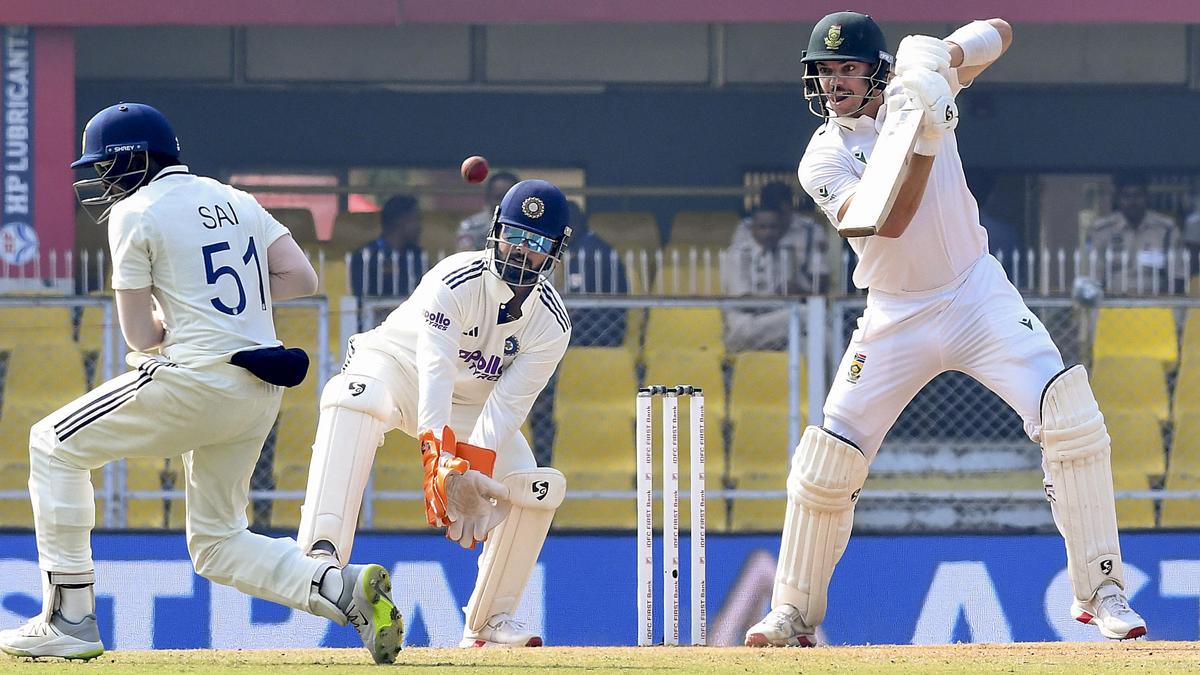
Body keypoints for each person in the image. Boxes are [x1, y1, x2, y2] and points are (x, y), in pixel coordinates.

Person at [744, 13, 1146, 647]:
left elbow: (1001, 31)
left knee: (1070, 415)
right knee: (828, 459)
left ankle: (1102, 592)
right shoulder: (823, 156)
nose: (834, 82)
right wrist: (928, 135)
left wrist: (940, 60)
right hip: (893, 315)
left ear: (877, 70)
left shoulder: (915, 85)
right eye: (824, 70)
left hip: (975, 294)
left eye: (847, 67)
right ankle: (793, 612)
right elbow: (884, 222)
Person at [0, 103, 402, 663]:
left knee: (52, 444)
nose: (104, 182)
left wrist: (188, 313)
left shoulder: (134, 211)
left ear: (136, 160)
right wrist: (213, 306)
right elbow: (302, 277)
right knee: (218, 543)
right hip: (260, 387)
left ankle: (69, 618)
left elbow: (141, 336)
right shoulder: (236, 199)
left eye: (107, 167)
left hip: (198, 382)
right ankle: (338, 585)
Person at [297, 179, 573, 648]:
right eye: (514, 235)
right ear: (496, 231)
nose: (521, 250)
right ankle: (320, 560)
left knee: (535, 487)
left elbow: (506, 407)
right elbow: (435, 370)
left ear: (554, 253)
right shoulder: (455, 279)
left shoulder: (551, 323)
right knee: (353, 396)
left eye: (536, 243)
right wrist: (442, 464)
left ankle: (489, 623)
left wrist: (473, 469)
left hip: (472, 403)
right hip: (395, 367)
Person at [724, 198, 828, 352]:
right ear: (752, 229)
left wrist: (796, 291)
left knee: (814, 343)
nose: (769, 233)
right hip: (745, 326)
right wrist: (779, 300)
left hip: (781, 326)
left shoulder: (785, 254)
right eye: (763, 227)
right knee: (809, 314)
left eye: (774, 227)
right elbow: (743, 301)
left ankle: (840, 366)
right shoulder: (738, 255)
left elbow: (801, 292)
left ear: (782, 230)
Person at [1085, 173, 1182, 294]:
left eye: (1138, 195)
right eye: (1126, 196)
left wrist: (1166, 301)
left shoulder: (1166, 229)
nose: (1132, 201)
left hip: (1156, 301)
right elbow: (1094, 277)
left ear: (1147, 197)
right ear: (1117, 199)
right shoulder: (1103, 230)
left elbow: (1178, 276)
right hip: (1113, 301)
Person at [349, 195, 424, 296]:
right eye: (415, 219)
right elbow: (361, 298)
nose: (419, 227)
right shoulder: (365, 257)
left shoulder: (417, 256)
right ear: (400, 221)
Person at [457, 172, 520, 252]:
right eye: (498, 197)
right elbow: (465, 255)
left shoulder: (527, 228)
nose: (503, 203)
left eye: (509, 199)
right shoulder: (471, 227)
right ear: (488, 197)